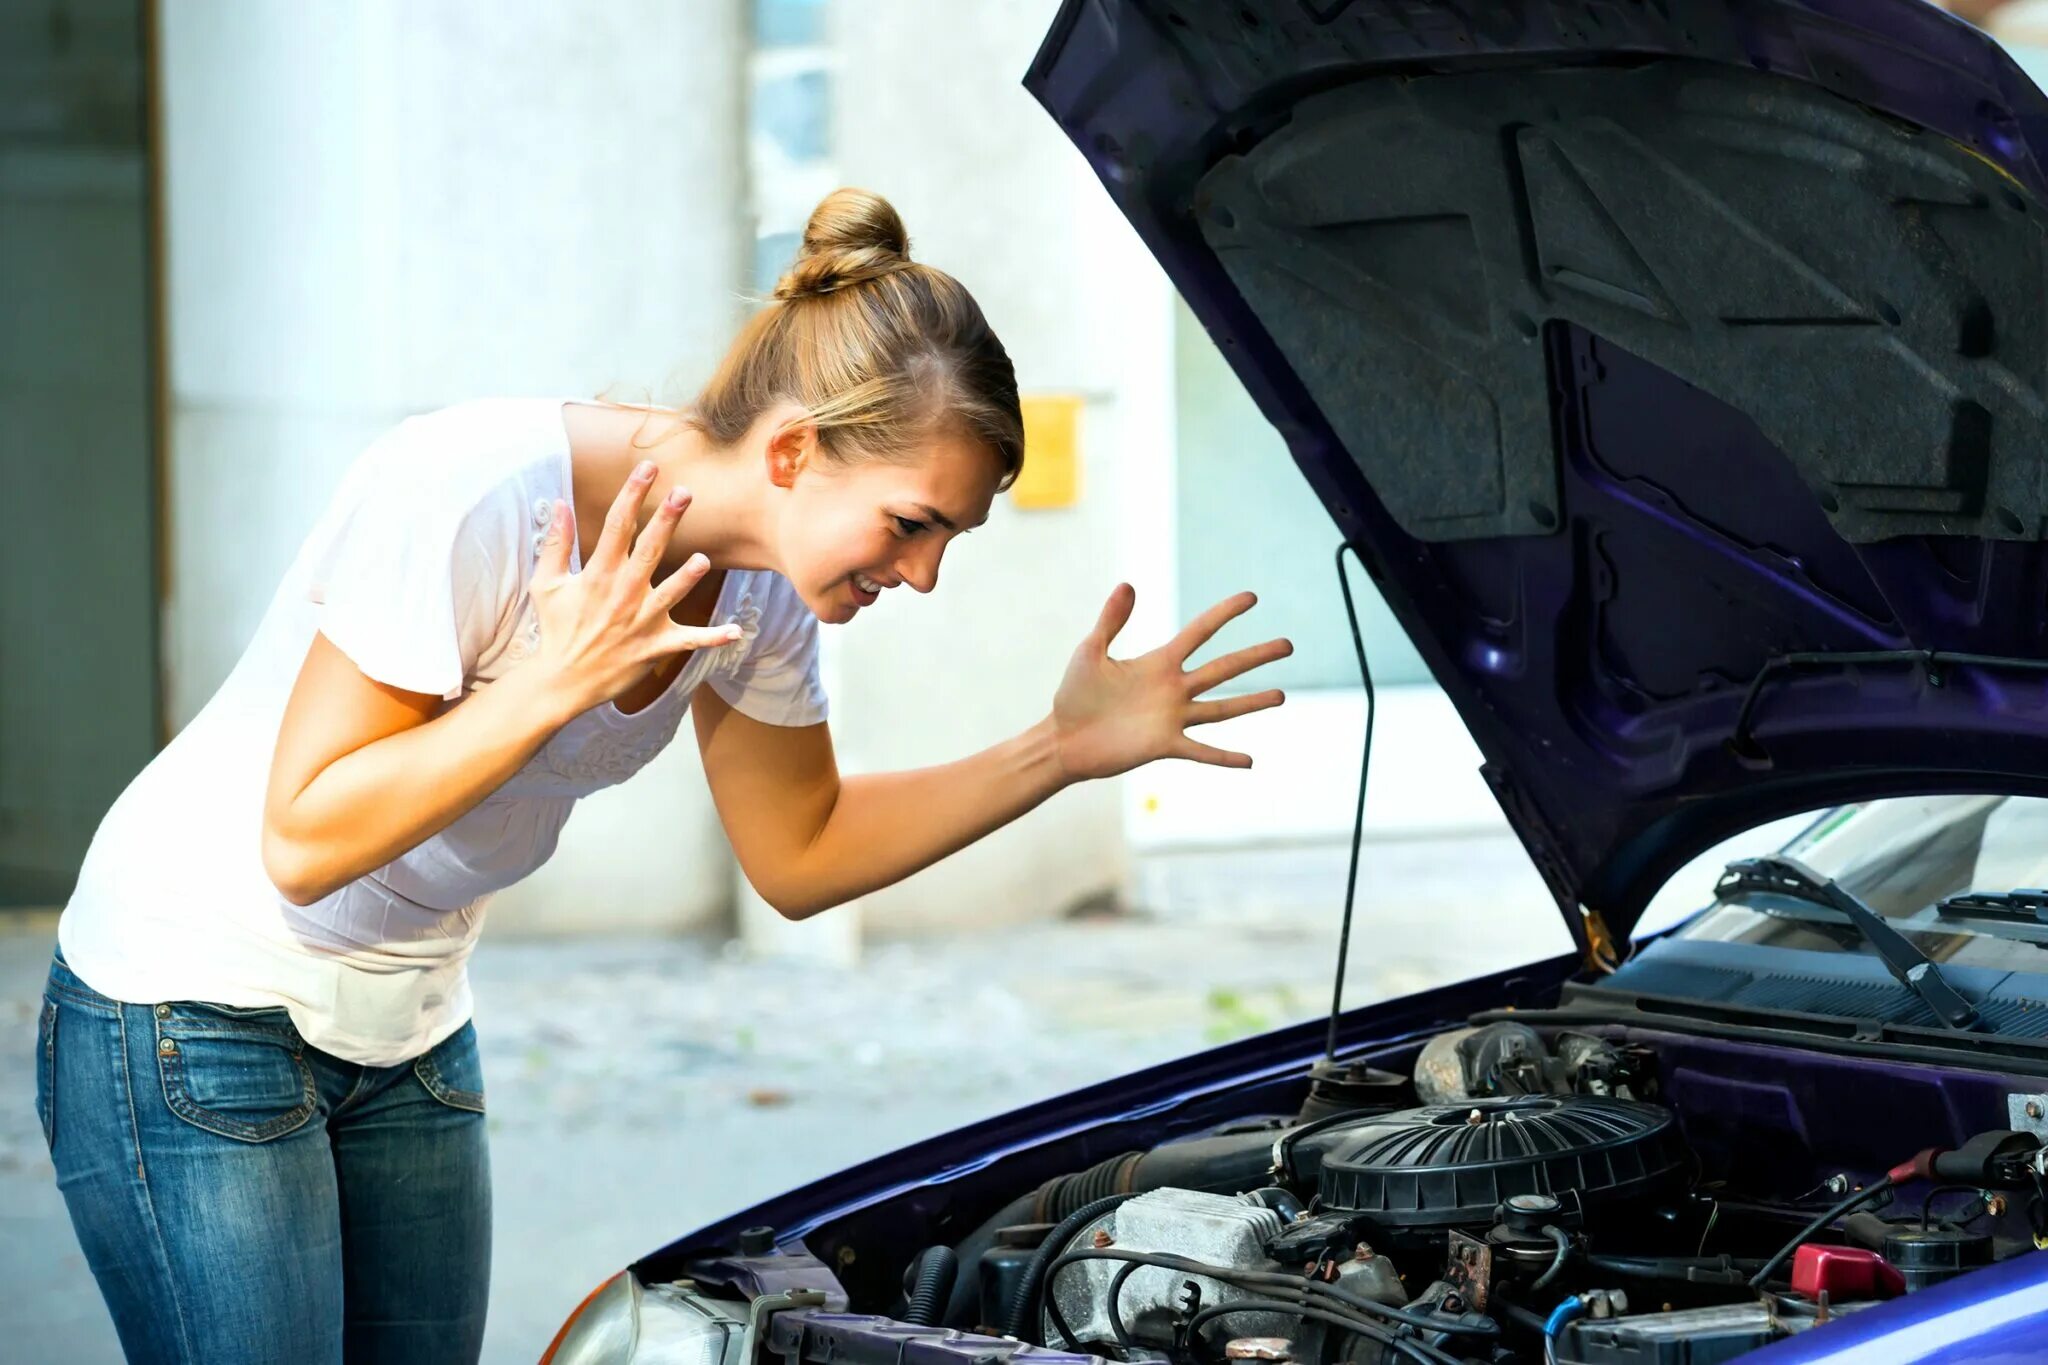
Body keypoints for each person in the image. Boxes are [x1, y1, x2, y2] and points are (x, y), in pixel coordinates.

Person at [33, 187, 1291, 1364]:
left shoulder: (766, 596)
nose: (921, 575)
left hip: (406, 1020)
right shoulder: (474, 493)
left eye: (947, 540)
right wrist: (551, 680)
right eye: (910, 524)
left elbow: (802, 857)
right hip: (188, 1004)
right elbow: (304, 837)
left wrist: (1058, 752)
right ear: (793, 453)